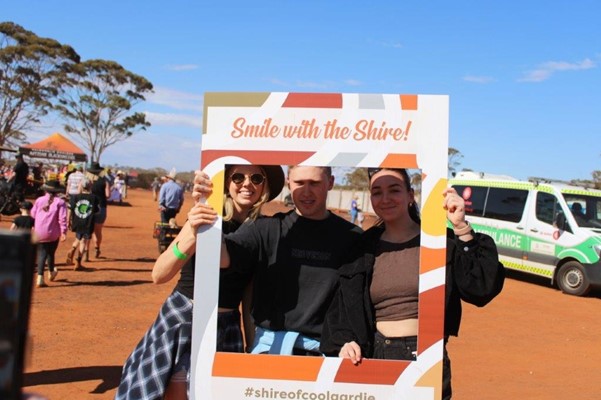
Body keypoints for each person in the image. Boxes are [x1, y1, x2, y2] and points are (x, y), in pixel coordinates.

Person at [320, 168, 505, 400]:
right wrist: (343, 343)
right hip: (373, 356)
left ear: (410, 195)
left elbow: (481, 289)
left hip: (425, 358)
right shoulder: (362, 248)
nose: (385, 198)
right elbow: (344, 307)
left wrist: (461, 227)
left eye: (394, 190)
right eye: (377, 192)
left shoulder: (439, 241)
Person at [116, 164, 285, 400]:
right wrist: (194, 232)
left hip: (227, 327)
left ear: (264, 186)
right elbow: (159, 274)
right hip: (184, 318)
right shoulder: (206, 216)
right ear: (227, 183)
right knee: (177, 390)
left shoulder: (262, 231)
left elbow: (248, 296)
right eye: (238, 177)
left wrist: (251, 346)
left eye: (256, 178)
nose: (247, 184)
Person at [196, 165, 363, 356]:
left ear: (330, 183)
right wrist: (205, 201)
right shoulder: (265, 229)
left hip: (325, 354)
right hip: (271, 352)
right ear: (289, 183)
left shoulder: (353, 238)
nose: (306, 192)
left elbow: (358, 300)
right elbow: (222, 257)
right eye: (299, 183)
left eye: (314, 183)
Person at [30, 180, 68, 288]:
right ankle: (49, 273)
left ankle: (42, 276)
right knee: (50, 253)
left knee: (42, 252)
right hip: (53, 233)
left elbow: (33, 214)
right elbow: (62, 218)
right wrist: (63, 232)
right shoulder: (60, 202)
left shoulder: (39, 200)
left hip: (38, 231)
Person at [65, 181, 100, 270]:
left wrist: (68, 220)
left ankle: (72, 249)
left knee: (78, 238)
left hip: (77, 221)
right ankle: (78, 262)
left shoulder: (74, 197)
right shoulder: (94, 198)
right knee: (83, 241)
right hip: (88, 222)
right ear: (90, 187)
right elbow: (97, 210)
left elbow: (70, 209)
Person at [87, 161, 110, 259]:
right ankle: (97, 248)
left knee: (87, 230)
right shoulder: (105, 181)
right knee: (98, 230)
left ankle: (85, 251)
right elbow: (108, 195)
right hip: (101, 206)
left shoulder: (88, 181)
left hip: (89, 206)